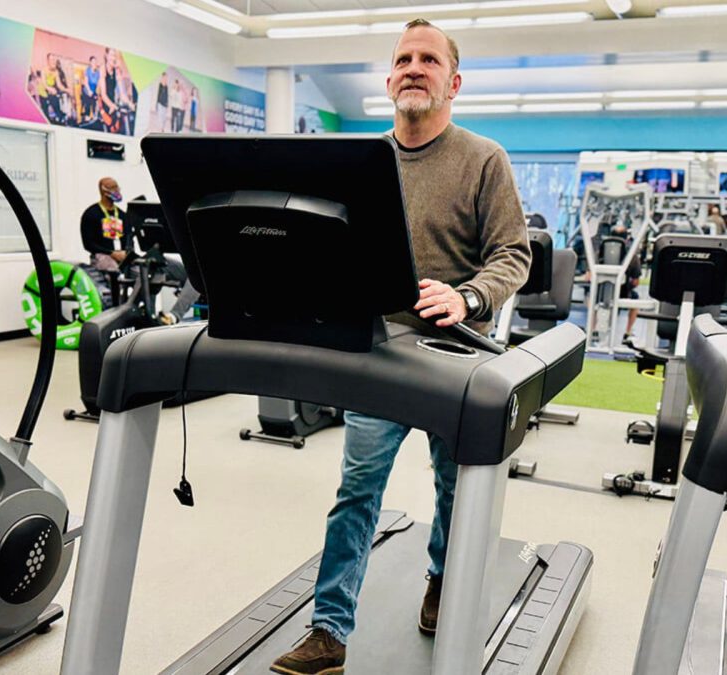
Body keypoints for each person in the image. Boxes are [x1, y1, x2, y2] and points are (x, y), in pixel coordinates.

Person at [271, 18, 531, 675]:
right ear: (389, 81)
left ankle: (443, 579)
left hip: (456, 355)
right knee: (356, 491)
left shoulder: (483, 159)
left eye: (429, 59)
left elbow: (514, 254)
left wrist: (467, 296)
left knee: (453, 486)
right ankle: (328, 632)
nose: (414, 68)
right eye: (403, 60)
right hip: (379, 352)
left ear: (454, 81)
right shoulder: (360, 163)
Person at [80, 177, 130, 272]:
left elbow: (128, 237)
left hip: (122, 255)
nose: (116, 190)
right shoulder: (91, 214)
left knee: (140, 270)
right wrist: (111, 253)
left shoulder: (122, 215)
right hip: (102, 255)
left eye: (117, 187)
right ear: (104, 191)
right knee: (113, 271)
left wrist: (127, 253)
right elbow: (88, 244)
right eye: (113, 187)